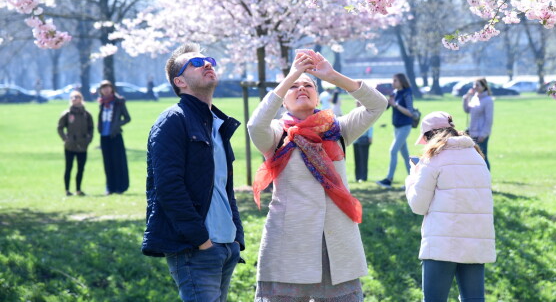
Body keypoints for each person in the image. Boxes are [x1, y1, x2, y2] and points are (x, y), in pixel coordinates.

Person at [248, 50, 387, 302]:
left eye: (308, 84)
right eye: (294, 86)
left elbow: (377, 104)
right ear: (283, 100)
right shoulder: (276, 134)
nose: (301, 88)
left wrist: (333, 76)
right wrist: (292, 74)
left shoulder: (338, 129)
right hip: (290, 243)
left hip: (337, 244)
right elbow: (255, 125)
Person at [141, 43, 244, 302]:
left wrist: (236, 239)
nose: (207, 64)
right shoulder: (172, 121)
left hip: (226, 246)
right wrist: (201, 240)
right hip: (195, 249)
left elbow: (223, 186)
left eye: (209, 59)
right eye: (196, 63)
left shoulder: (218, 124)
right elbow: (168, 187)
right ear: (180, 81)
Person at [405, 111, 495, 302]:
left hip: (441, 243)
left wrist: (413, 176)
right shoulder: (477, 156)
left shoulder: (433, 159)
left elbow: (418, 205)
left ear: (430, 135)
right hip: (476, 241)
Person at [377, 73, 414, 189]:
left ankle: (389, 179)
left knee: (393, 151)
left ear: (401, 81)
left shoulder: (407, 93)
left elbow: (410, 112)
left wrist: (396, 105)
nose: (393, 83)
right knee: (405, 154)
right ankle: (413, 181)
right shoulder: (396, 93)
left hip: (405, 127)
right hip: (397, 128)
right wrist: (389, 102)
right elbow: (388, 107)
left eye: (395, 81)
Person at [57, 90, 94, 196]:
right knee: (68, 168)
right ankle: (67, 190)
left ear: (81, 99)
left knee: (80, 168)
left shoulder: (86, 114)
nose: (74, 99)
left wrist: (89, 139)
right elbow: (60, 127)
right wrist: (65, 138)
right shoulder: (67, 114)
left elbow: (91, 128)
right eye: (72, 97)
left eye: (77, 97)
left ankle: (78, 189)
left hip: (82, 145)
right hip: (70, 145)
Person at [97, 80, 131, 194]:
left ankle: (120, 187)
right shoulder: (101, 102)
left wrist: (117, 124)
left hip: (115, 136)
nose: (106, 89)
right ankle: (109, 187)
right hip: (104, 136)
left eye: (107, 87)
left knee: (118, 162)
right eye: (103, 88)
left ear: (112, 88)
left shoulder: (119, 101)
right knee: (107, 163)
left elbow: (127, 118)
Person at [462, 77, 494, 170]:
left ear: (484, 86)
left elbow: (489, 119)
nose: (475, 87)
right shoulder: (474, 98)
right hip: (472, 132)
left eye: (477, 85)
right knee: (473, 157)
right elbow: (467, 110)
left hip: (481, 134)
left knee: (483, 156)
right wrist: (466, 97)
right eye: (474, 85)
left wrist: (484, 134)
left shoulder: (488, 100)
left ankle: (486, 175)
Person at [352, 101, 372, 182]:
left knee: (364, 159)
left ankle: (363, 177)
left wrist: (370, 136)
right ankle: (357, 177)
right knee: (357, 159)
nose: (358, 104)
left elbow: (370, 126)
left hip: (364, 138)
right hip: (355, 139)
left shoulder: (366, 113)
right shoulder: (353, 113)